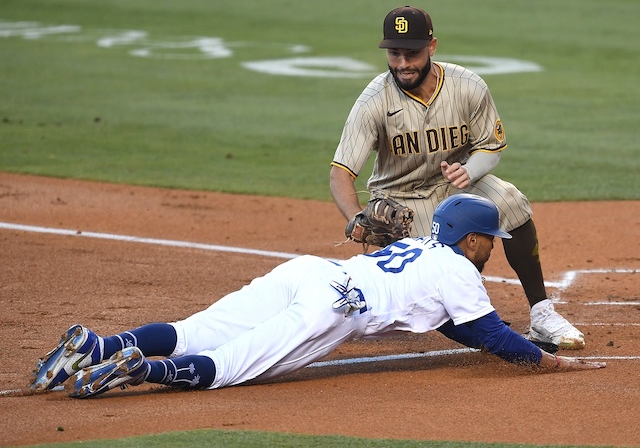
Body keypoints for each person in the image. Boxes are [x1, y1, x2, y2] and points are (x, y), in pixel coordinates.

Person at [30, 194, 604, 399]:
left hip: (309, 270)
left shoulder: (427, 252)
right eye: (490, 242)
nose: (492, 250)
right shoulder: (460, 271)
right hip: (336, 306)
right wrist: (547, 362)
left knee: (195, 329)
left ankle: (96, 344)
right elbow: (488, 332)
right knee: (230, 366)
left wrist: (483, 341)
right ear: (473, 239)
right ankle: (137, 371)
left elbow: (451, 324)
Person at [329, 6, 585, 350]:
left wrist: (470, 171)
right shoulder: (374, 101)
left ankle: (541, 314)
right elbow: (340, 173)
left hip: (457, 183)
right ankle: (485, 329)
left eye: (412, 53)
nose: (403, 63)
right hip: (401, 198)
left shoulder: (467, 86)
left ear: (432, 47)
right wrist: (355, 218)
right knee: (435, 262)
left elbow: (490, 148)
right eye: (394, 53)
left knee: (510, 202)